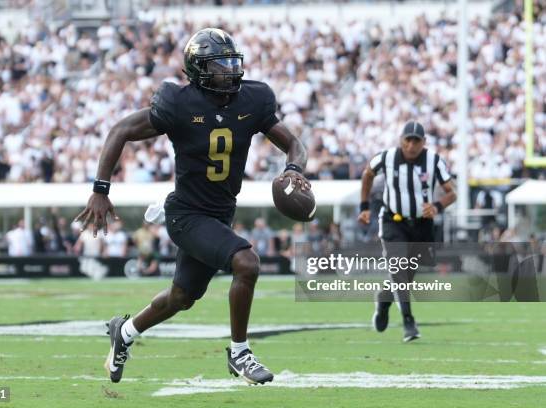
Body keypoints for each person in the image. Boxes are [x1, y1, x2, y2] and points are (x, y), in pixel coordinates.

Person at [75, 28, 310, 385]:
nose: (230, 70)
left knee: (182, 296)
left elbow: (294, 143)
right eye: (220, 64)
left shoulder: (253, 100)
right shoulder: (179, 103)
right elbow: (120, 130)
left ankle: (123, 332)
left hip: (219, 212)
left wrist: (293, 168)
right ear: (198, 69)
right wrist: (100, 189)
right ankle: (239, 352)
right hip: (186, 214)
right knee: (246, 263)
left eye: (232, 62)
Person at [358, 121, 457, 342]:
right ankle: (408, 322)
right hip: (394, 221)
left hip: (422, 224)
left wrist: (437, 206)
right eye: (408, 140)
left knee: (406, 275)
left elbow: (452, 192)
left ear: (424, 142)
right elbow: (367, 174)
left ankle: (384, 300)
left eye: (417, 140)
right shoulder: (386, 157)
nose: (411, 145)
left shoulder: (434, 161)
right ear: (400, 140)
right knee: (399, 269)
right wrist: (364, 207)